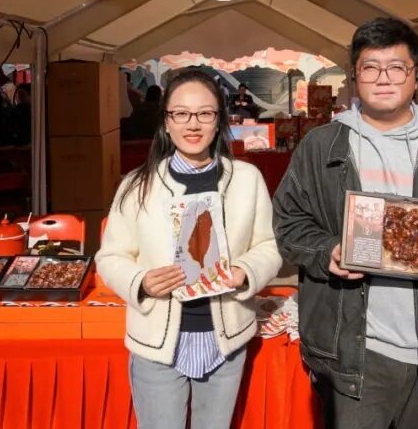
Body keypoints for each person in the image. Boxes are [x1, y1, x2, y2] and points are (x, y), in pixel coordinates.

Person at [272, 17, 418, 429]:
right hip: (354, 353)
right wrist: (328, 252)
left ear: (416, 76)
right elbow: (289, 222)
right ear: (354, 76)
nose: (383, 78)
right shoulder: (320, 147)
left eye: (396, 67)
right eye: (370, 67)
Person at [96, 70, 282, 429]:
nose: (192, 124)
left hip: (225, 343)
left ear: (219, 120)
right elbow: (111, 256)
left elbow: (269, 244)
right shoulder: (137, 185)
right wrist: (141, 282)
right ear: (166, 122)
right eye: (180, 113)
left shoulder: (246, 180)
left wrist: (246, 271)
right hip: (157, 343)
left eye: (205, 113)